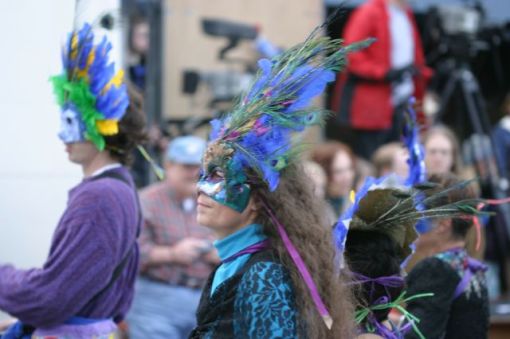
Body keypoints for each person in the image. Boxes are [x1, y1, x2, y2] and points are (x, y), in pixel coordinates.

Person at [188, 26, 369, 338]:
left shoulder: (264, 274)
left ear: (258, 200)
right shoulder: (232, 264)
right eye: (203, 175)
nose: (201, 189)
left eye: (219, 178)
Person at [0, 21, 145, 338]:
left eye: (71, 121)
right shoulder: (119, 187)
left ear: (104, 125)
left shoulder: (101, 196)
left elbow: (50, 298)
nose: (61, 134)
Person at [126, 136, 218, 339]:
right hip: (156, 302)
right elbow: (130, 255)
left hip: (208, 299)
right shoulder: (145, 202)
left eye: (200, 166)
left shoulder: (218, 201)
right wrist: (172, 254)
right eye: (187, 166)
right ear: (168, 165)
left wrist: (220, 253)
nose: (194, 173)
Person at [331, 0, 432, 160]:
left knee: (399, 162)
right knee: (371, 162)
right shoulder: (370, 11)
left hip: (400, 104)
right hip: (372, 109)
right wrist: (384, 73)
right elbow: (351, 54)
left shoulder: (405, 15)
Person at [405, 173, 490, 339]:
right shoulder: (469, 266)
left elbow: (417, 336)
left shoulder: (435, 269)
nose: (410, 228)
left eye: (418, 219)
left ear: (442, 225)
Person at [312, 141, 356, 218]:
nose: (347, 176)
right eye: (338, 171)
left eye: (349, 168)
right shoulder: (315, 209)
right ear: (324, 174)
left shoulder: (353, 201)